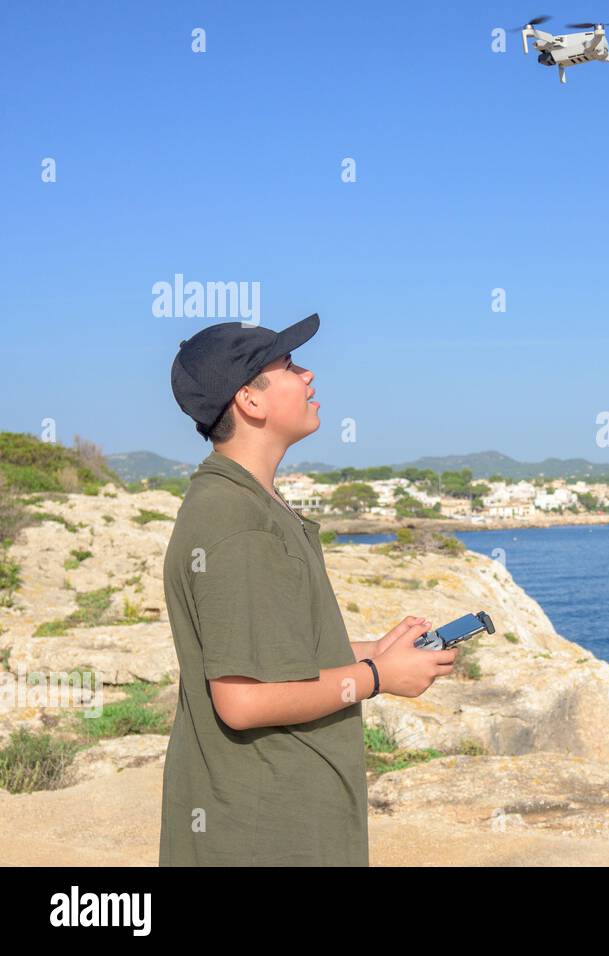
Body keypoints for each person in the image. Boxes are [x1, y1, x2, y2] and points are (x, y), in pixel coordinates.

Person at [159, 313, 458, 865]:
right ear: (250, 400)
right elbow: (243, 700)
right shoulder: (238, 523)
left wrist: (373, 652)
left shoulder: (251, 504)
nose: (309, 374)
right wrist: (377, 678)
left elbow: (274, 658)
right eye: (289, 365)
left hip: (279, 822)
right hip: (264, 833)